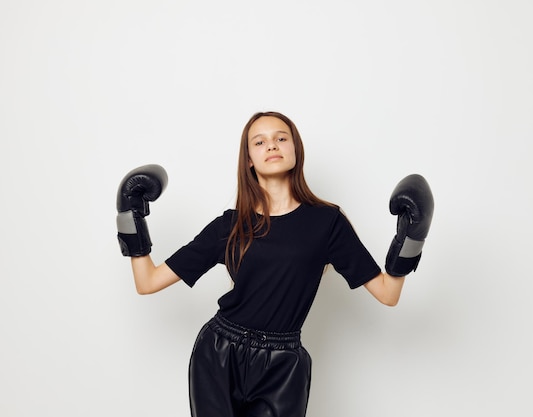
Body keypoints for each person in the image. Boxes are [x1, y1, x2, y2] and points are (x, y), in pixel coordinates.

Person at [115, 111, 434, 417]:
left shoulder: (328, 222)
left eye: (281, 138)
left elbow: (388, 293)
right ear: (249, 160)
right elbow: (148, 282)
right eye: (259, 141)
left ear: (296, 149)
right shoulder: (230, 225)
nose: (271, 145)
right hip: (218, 354)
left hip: (283, 365)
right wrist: (130, 219)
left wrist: (411, 239)